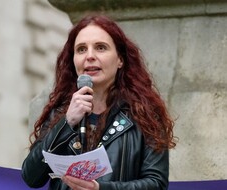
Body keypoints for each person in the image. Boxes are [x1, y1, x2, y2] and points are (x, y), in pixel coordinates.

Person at [21, 14, 176, 190]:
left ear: (120, 60)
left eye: (100, 48)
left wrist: (100, 189)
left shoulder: (145, 114)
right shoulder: (60, 113)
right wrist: (67, 123)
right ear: (73, 61)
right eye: (81, 49)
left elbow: (156, 184)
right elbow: (31, 177)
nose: (90, 56)